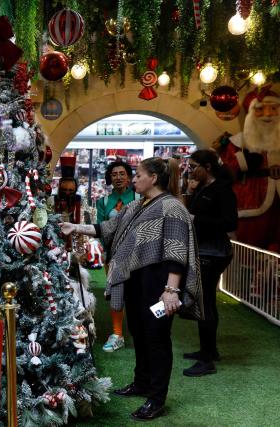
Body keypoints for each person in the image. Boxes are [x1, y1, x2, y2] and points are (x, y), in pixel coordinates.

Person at [60, 157, 202, 421]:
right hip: (136, 282)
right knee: (138, 331)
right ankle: (142, 382)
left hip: (159, 284)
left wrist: (171, 291)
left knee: (157, 338)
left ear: (154, 178)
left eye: (137, 175)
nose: (132, 179)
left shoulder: (172, 208)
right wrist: (74, 227)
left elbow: (176, 251)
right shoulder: (136, 206)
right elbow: (107, 228)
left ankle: (156, 398)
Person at [182, 150, 237, 377]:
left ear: (208, 166)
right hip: (206, 251)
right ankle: (209, 351)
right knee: (207, 303)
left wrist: (196, 219)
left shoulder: (222, 191)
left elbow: (230, 222)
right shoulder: (205, 189)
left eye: (194, 166)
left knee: (203, 304)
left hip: (213, 253)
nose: (190, 170)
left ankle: (206, 360)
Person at [216, 85, 280, 250]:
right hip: (252, 202)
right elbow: (227, 170)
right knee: (249, 249)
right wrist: (244, 161)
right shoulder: (238, 142)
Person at [96, 160, 140, 353]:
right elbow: (101, 228)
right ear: (109, 178)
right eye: (114, 174)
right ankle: (117, 334)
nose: (118, 177)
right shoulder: (103, 202)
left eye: (122, 173)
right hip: (113, 256)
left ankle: (141, 333)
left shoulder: (141, 197)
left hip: (138, 256)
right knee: (116, 293)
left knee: (138, 293)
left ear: (129, 176)